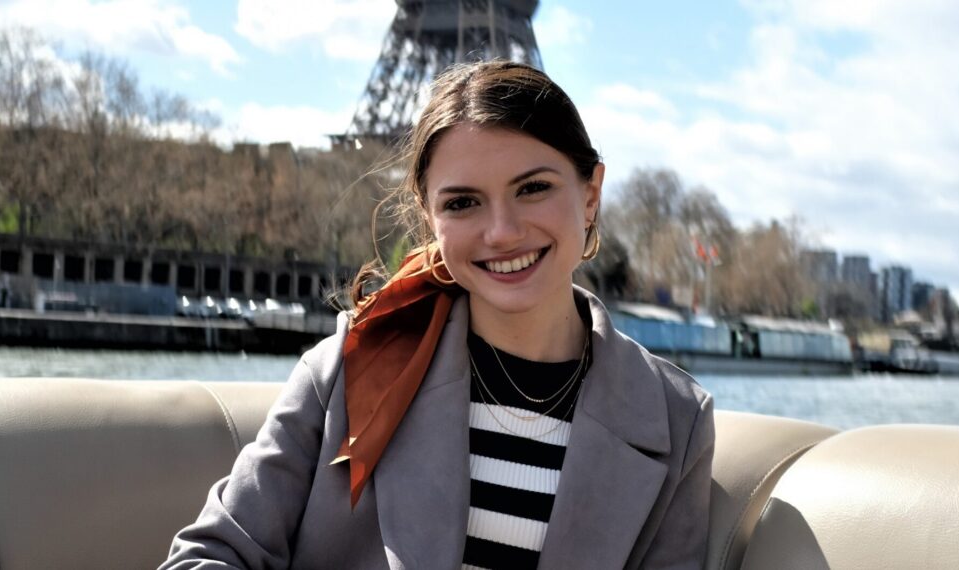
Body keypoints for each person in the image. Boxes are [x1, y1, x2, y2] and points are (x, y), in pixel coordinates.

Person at [162, 60, 714, 570]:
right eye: (463, 203)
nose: (502, 232)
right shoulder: (350, 367)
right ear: (429, 216)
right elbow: (207, 556)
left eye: (533, 189)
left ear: (590, 194)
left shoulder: (676, 421)